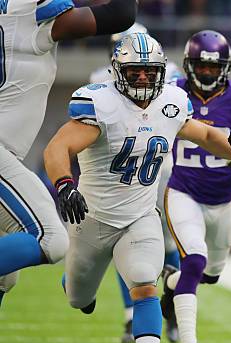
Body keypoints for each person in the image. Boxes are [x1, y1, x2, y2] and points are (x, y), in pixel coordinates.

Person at [43, 33, 231, 343]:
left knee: (145, 284)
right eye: (134, 72)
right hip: (91, 217)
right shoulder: (99, 102)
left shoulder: (171, 101)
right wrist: (64, 184)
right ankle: (74, 284)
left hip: (139, 215)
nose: (142, 79)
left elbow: (207, 135)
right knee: (77, 297)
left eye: (148, 72)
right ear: (118, 72)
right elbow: (59, 146)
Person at [0, 0, 137, 307]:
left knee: (5, 276)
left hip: (7, 152)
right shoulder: (26, 16)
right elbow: (121, 13)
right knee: (49, 238)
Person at [158, 30, 231, 343]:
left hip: (223, 201)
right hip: (183, 192)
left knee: (211, 273)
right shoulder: (170, 92)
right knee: (195, 258)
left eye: (212, 68)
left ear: (225, 67)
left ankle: (172, 284)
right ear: (189, 66)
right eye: (200, 68)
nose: (206, 74)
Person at [88, 21, 183, 343]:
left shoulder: (168, 75)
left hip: (160, 165)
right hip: (120, 176)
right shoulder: (100, 82)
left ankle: (170, 310)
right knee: (123, 239)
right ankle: (133, 315)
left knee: (171, 241)